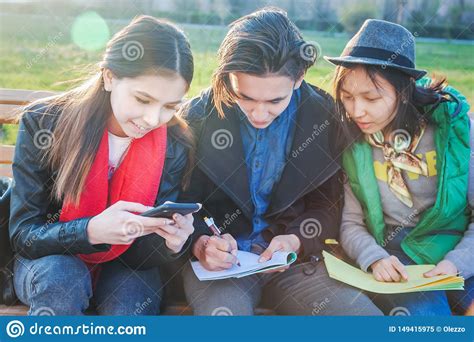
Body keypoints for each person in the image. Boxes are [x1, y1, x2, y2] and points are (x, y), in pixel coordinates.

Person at [10, 15, 195, 315]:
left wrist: (171, 243)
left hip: (126, 264)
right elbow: (24, 235)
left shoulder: (173, 142)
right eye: (143, 99)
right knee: (62, 279)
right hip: (49, 260)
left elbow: (143, 257)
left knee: (131, 299)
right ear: (109, 77)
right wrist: (91, 231)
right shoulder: (44, 124)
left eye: (169, 107)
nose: (153, 119)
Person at [326, 19, 473, 315]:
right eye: (347, 98)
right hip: (396, 257)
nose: (357, 111)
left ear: (403, 92)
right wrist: (374, 258)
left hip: (459, 248)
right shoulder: (353, 142)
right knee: (426, 322)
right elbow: (351, 223)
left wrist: (456, 263)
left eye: (371, 98)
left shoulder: (456, 133)